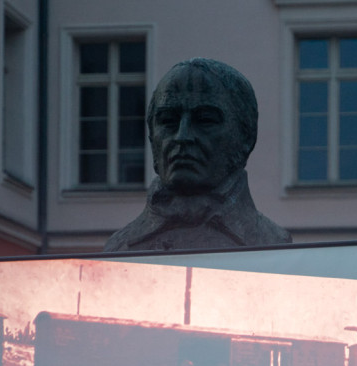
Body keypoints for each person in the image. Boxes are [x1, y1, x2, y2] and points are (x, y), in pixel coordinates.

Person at [104, 58, 291, 252]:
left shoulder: (271, 242)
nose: (182, 136)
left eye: (205, 120)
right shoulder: (118, 247)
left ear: (246, 136)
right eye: (168, 121)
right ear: (152, 136)